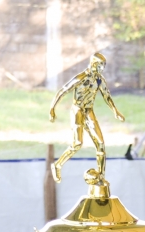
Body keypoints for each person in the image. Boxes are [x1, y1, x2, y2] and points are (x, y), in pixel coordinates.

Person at [49, 52, 125, 183]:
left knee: (100, 144)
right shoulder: (81, 77)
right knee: (77, 143)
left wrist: (115, 111)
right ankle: (57, 165)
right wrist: (52, 109)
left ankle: (101, 176)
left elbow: (107, 96)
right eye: (101, 66)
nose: (103, 69)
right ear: (94, 64)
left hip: (89, 111)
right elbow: (63, 91)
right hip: (77, 110)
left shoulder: (99, 80)